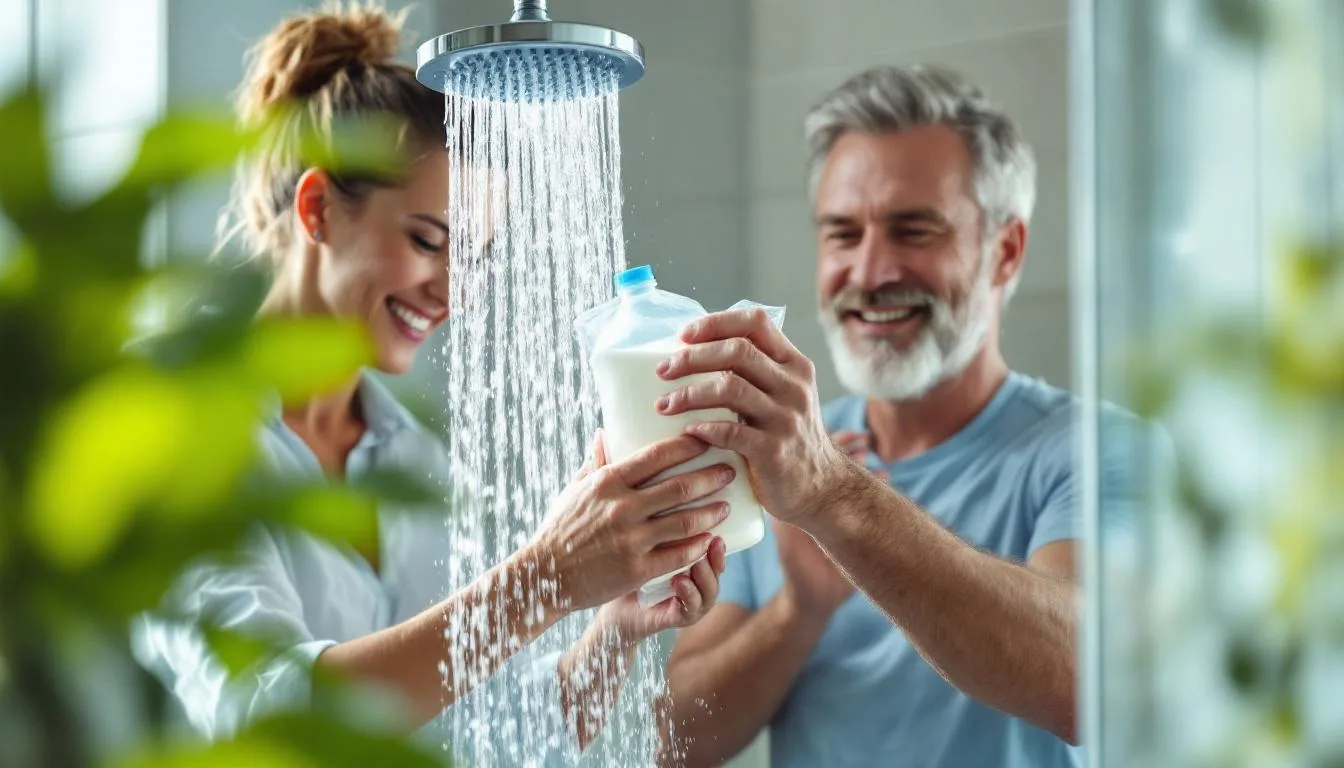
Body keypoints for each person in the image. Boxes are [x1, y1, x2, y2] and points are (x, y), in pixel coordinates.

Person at [131, 4, 732, 760]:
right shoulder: (175, 436)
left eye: (476, 257)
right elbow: (273, 721)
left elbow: (482, 732)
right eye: (428, 241)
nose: (455, 291)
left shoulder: (411, 461)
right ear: (317, 207)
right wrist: (548, 575)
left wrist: (612, 630)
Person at [658, 65, 1144, 767]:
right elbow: (670, 743)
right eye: (842, 234)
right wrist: (798, 614)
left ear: (1004, 251)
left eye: (913, 231)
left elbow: (1090, 683)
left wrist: (831, 496)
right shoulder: (777, 455)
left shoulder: (1101, 453)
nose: (870, 271)